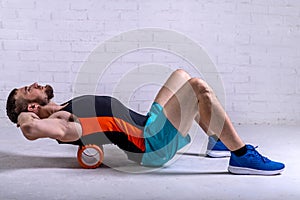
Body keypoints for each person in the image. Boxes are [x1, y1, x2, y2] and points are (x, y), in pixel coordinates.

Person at [6, 69, 284, 175]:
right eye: (28, 89)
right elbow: (30, 129)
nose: (34, 84)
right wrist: (21, 117)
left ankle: (217, 142)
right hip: (151, 142)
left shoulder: (65, 106)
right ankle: (240, 155)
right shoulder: (63, 123)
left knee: (182, 75)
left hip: (147, 123)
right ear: (31, 105)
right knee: (199, 88)